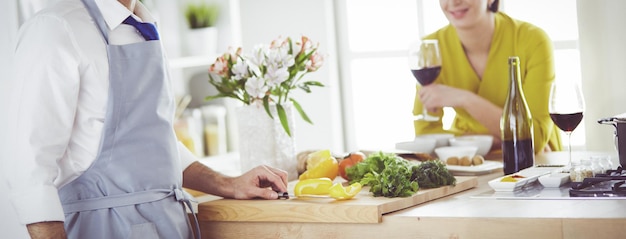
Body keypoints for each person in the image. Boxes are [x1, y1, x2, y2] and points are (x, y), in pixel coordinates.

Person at [3, 0, 288, 238]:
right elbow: (29, 169)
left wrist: (227, 183)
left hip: (169, 225)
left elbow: (154, 141)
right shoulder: (55, 29)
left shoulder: (144, 27)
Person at [413, 0, 562, 153]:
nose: (454, 2)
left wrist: (464, 99)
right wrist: (493, 141)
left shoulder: (533, 40)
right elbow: (426, 135)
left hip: (535, 160)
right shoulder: (431, 48)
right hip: (471, 161)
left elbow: (533, 138)